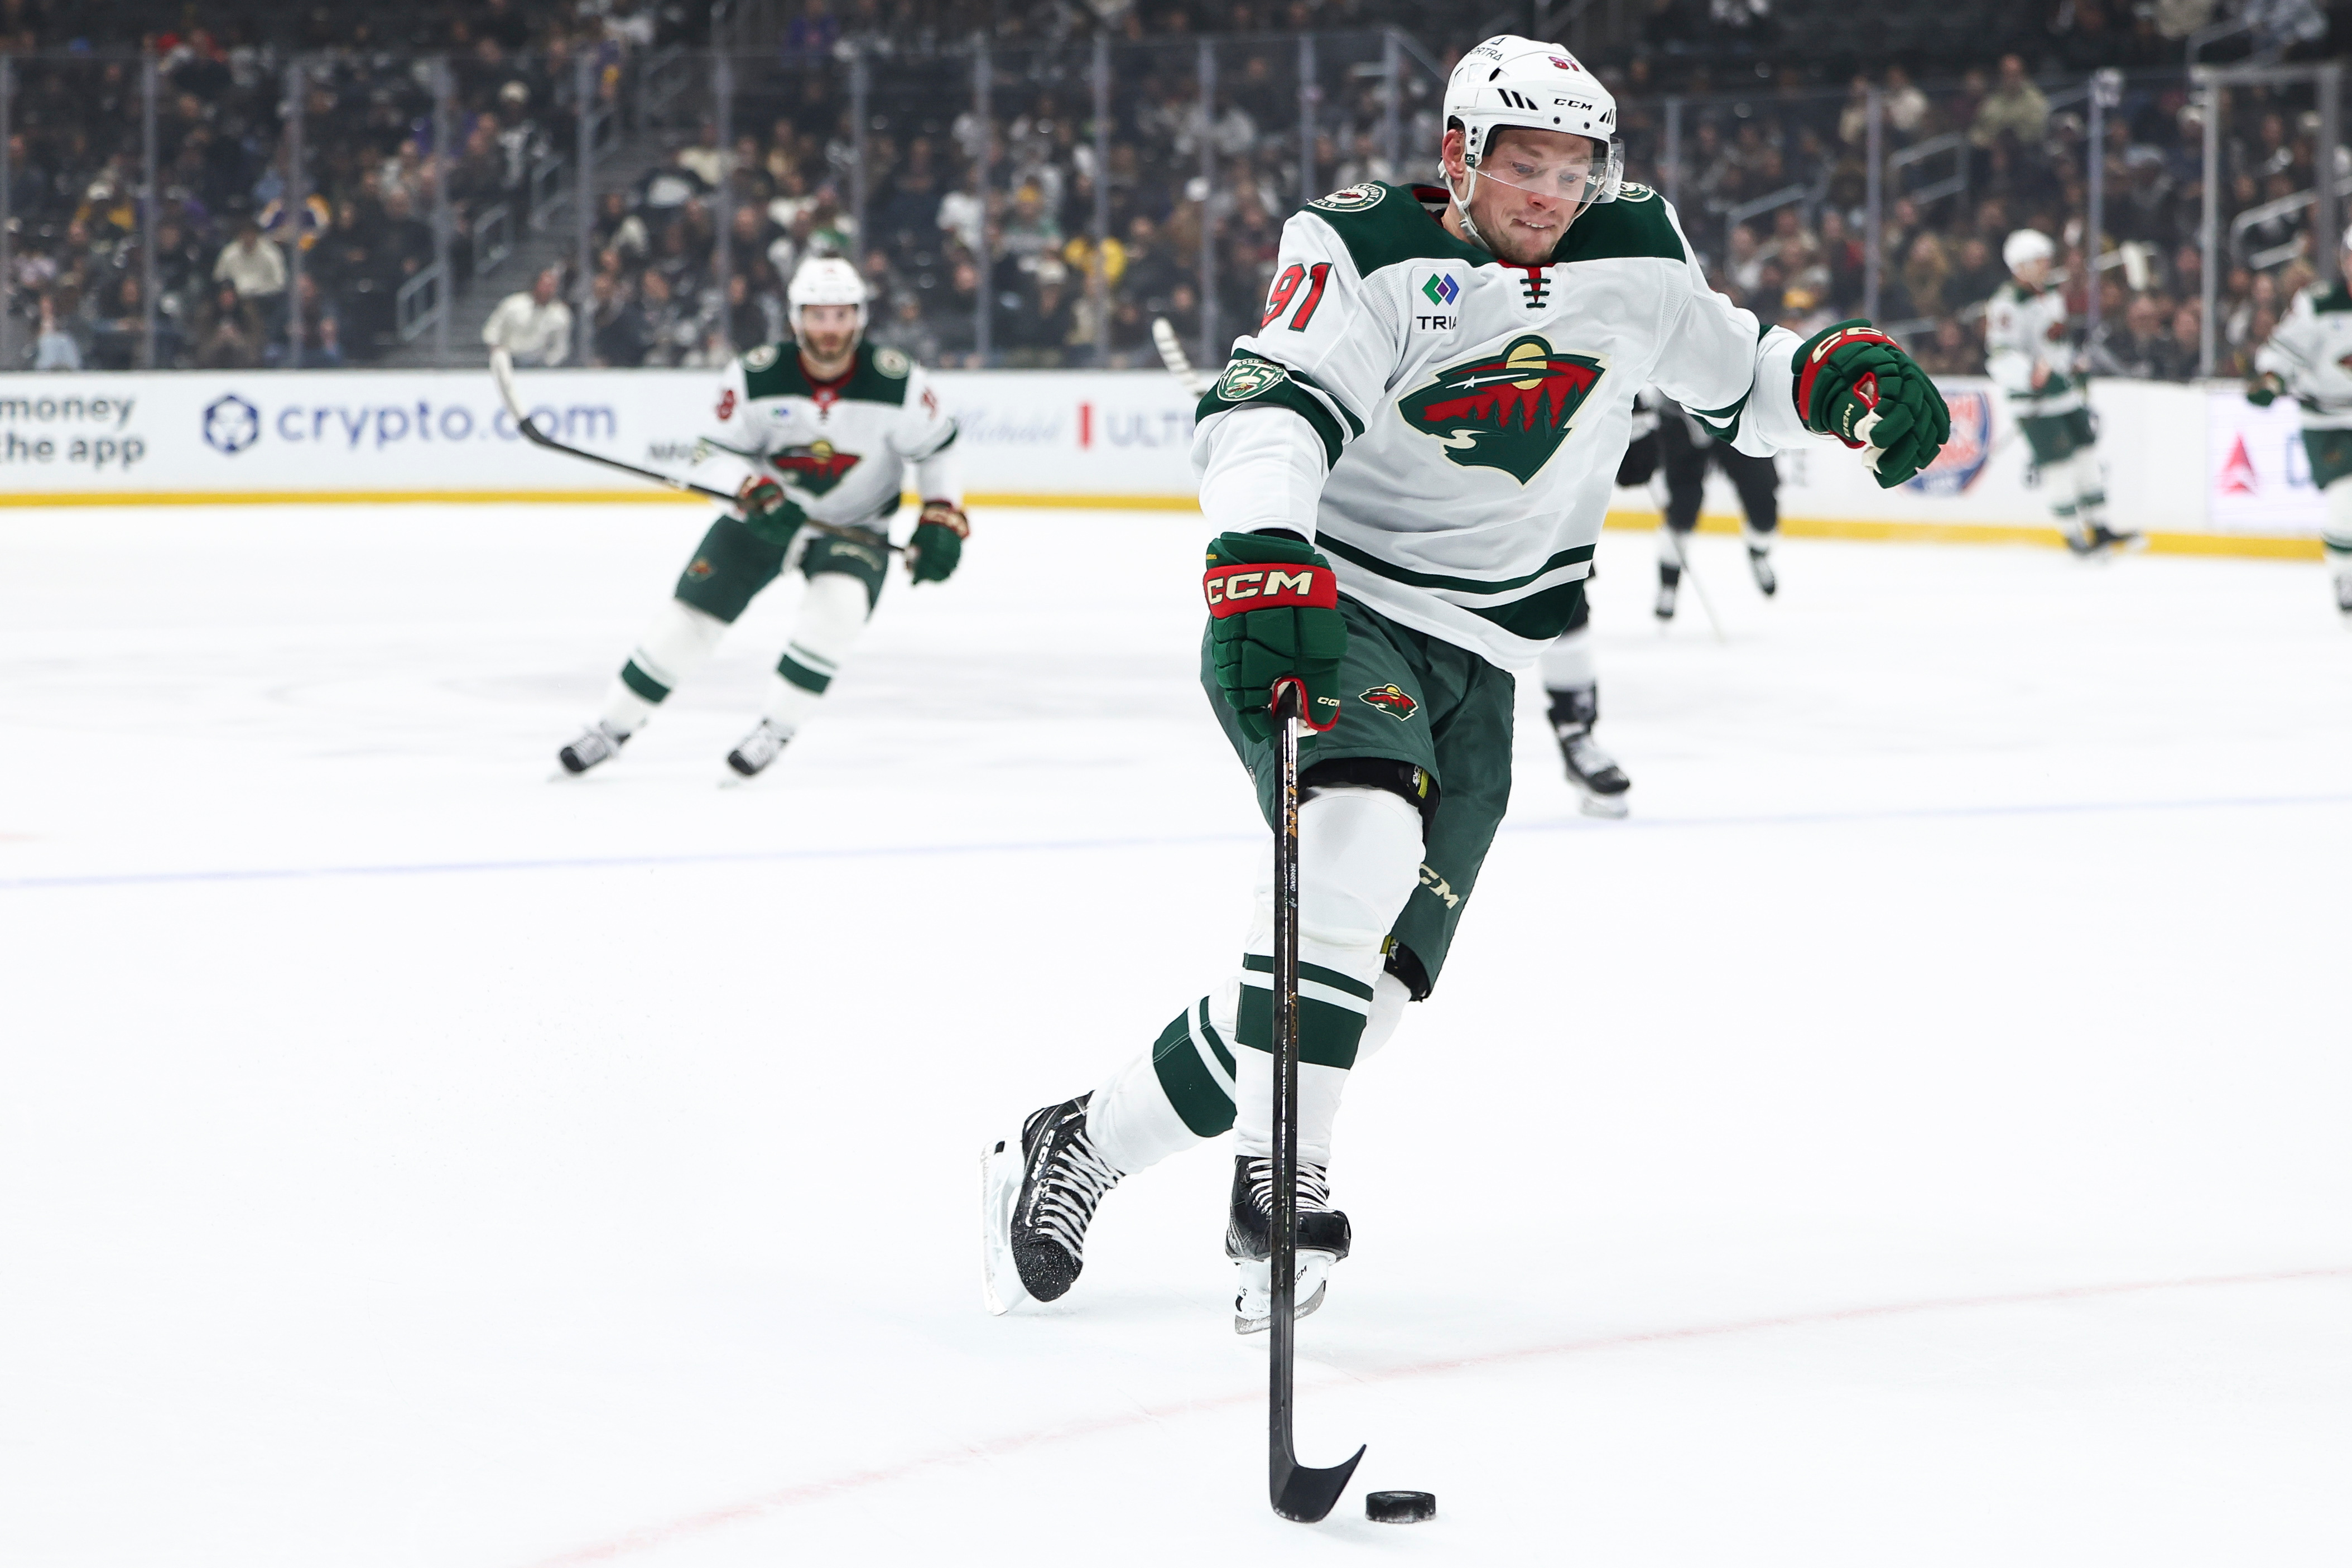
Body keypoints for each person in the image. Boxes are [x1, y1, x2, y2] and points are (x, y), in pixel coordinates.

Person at [979, 35, 1949, 1333]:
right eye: (1523, 162)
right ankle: (1285, 1173)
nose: (1550, 191)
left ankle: (1083, 1140)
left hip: (1488, 656)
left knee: (1358, 1001)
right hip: (1333, 601)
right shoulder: (1361, 247)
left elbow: (1740, 378)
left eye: (1574, 165)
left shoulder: (1637, 253)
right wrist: (1260, 544)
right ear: (1458, 156)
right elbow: (1270, 402)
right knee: (1356, 850)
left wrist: (1830, 386)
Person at [554, 257, 969, 779]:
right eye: (818, 317)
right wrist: (749, 492)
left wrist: (940, 514)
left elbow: (939, 452)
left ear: (859, 319)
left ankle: (775, 729)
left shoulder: (900, 383)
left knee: (835, 614)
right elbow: (712, 454)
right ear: (796, 320)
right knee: (685, 625)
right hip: (764, 519)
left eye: (841, 316)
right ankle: (610, 728)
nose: (830, 330)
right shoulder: (754, 376)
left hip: (856, 525)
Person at [1985, 229, 2137, 555]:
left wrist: (2072, 364)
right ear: (2020, 267)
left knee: (2085, 454)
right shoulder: (2007, 305)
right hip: (2034, 402)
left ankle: (2099, 526)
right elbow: (2001, 354)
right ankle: (2073, 534)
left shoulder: (2051, 295)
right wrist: (2032, 377)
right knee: (2059, 465)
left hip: (2063, 394)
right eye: (2039, 262)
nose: (2046, 266)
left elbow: (2054, 343)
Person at [2247, 227, 2352, 617]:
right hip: (2326, 420)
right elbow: (2283, 351)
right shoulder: (2317, 304)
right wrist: (2271, 380)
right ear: (2343, 261)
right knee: (2346, 496)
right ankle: (2345, 576)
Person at [1651, 392, 1782, 618]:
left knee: (1763, 507)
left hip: (1740, 413)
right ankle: (1669, 580)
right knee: (1682, 509)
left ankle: (1759, 552)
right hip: (1679, 415)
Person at [482, 266, 575, 367]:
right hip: (510, 359)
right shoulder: (513, 304)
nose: (548, 289)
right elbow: (492, 329)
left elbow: (561, 347)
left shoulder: (561, 314)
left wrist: (548, 364)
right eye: (545, 285)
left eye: (552, 286)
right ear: (536, 284)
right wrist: (496, 350)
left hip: (539, 365)